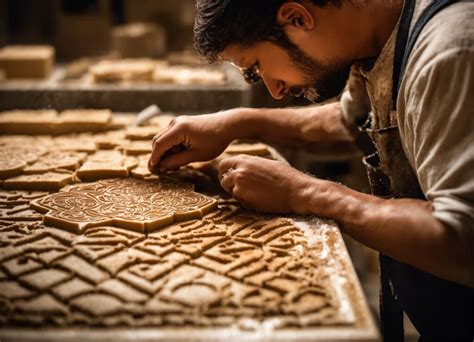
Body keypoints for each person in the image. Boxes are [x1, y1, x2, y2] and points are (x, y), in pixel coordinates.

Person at [148, 1, 474, 340]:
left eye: (256, 67)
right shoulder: (376, 38)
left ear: (297, 18)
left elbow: (463, 234)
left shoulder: (448, 53)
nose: (274, 91)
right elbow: (350, 121)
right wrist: (236, 123)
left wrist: (304, 192)